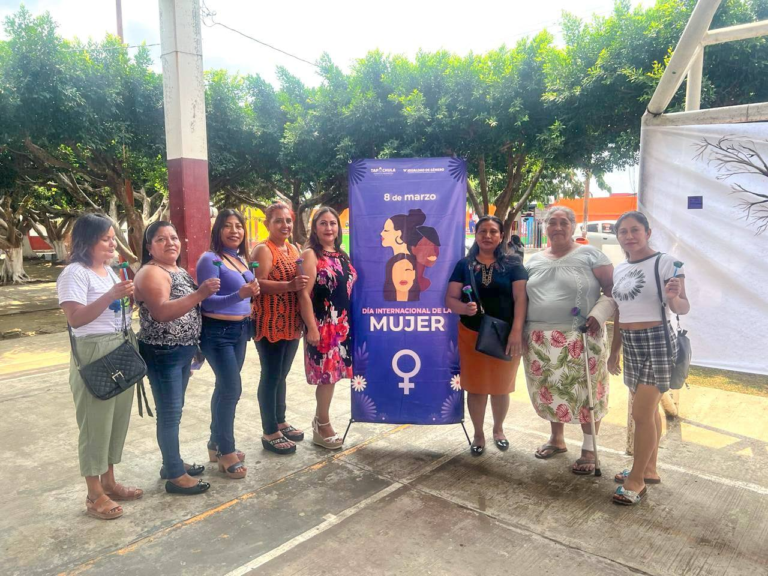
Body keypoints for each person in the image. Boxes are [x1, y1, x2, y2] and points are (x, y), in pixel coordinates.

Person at [57, 213, 143, 520]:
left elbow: (113, 310)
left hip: (118, 346)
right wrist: (111, 295)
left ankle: (109, 481)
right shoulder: (74, 274)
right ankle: (94, 494)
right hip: (93, 351)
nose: (112, 244)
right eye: (106, 238)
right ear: (87, 240)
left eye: (113, 238)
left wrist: (126, 300)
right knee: (95, 424)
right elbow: (76, 318)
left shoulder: (108, 271)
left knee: (115, 420)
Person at [523, 206, 616, 474]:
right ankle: (557, 439)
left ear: (573, 227)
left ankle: (589, 449)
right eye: (552, 222)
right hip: (540, 339)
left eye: (564, 222)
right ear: (545, 228)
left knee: (587, 392)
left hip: (582, 336)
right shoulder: (533, 261)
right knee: (551, 390)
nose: (558, 227)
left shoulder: (590, 255)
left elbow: (612, 289)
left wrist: (600, 313)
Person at [608, 211, 689, 506]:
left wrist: (674, 296)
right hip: (631, 343)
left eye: (635, 230)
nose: (629, 236)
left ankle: (637, 480)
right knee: (648, 410)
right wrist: (614, 349)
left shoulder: (665, 263)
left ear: (648, 232)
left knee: (640, 414)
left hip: (657, 340)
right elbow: (619, 312)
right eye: (623, 232)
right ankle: (650, 468)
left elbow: (683, 307)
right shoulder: (620, 269)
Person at [134, 221, 218, 495]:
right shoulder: (151, 272)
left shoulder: (176, 269)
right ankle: (174, 474)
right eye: (161, 239)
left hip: (181, 351)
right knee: (169, 414)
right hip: (163, 352)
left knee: (174, 410)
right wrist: (200, 294)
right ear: (149, 247)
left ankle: (171, 462)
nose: (170, 242)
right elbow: (161, 312)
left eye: (173, 237)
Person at [445, 215, 528, 455]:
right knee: (477, 388)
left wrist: (516, 332)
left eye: (493, 231)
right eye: (483, 231)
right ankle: (479, 434)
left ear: (501, 236)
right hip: (471, 334)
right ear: (476, 234)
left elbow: (521, 299)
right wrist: (463, 308)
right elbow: (449, 298)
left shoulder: (513, 264)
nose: (488, 236)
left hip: (505, 336)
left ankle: (499, 430)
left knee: (501, 387)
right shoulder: (464, 265)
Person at [197, 209, 260, 479]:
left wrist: (249, 297)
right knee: (232, 389)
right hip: (217, 332)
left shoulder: (239, 260)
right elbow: (205, 301)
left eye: (239, 226)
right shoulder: (210, 259)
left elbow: (244, 296)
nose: (235, 231)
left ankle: (215, 443)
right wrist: (240, 294)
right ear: (217, 230)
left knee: (224, 387)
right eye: (228, 226)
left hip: (240, 330)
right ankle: (226, 451)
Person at [297, 207, 357, 449]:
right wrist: (311, 327)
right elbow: (303, 294)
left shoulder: (342, 255)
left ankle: (320, 422)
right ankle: (322, 424)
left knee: (334, 377)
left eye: (333, 223)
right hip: (323, 326)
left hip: (342, 326)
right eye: (323, 223)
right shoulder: (311, 254)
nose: (329, 228)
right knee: (326, 378)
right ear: (315, 227)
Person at [251, 203, 308, 455]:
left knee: (282, 375)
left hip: (290, 322)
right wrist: (289, 286)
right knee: (271, 375)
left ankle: (280, 419)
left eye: (288, 220)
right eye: (278, 221)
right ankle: (269, 430)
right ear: (267, 224)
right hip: (270, 322)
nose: (284, 225)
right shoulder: (264, 249)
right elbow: (257, 284)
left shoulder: (293, 247)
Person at [409, 225, 441, 291]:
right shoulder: (403, 279)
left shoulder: (424, 282)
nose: (435, 250)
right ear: (412, 248)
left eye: (435, 245)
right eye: (427, 244)